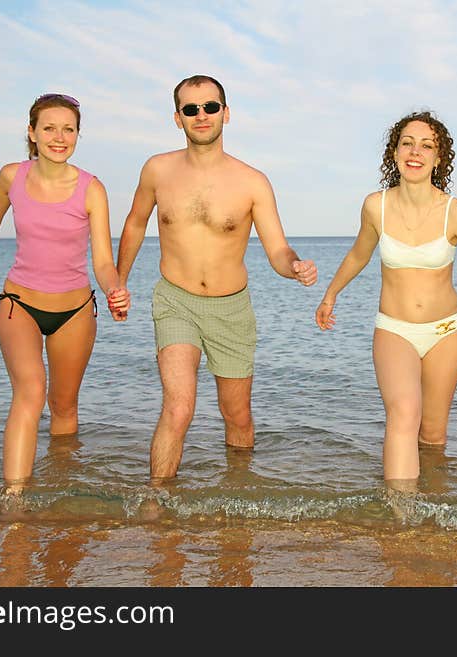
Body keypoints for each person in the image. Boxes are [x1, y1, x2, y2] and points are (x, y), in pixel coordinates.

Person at [116, 74, 317, 480]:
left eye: (210, 106)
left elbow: (277, 248)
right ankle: (158, 507)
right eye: (191, 109)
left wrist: (294, 267)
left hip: (231, 307)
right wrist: (119, 281)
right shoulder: (157, 170)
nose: (201, 115)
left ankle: (236, 503)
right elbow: (136, 224)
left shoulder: (252, 181)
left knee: (237, 415)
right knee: (179, 406)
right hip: (176, 300)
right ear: (178, 118)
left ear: (226, 113)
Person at [0, 93, 131, 494]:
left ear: (78, 135)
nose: (59, 137)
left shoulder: (92, 189)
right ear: (32, 132)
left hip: (75, 310)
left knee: (63, 407)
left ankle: (60, 494)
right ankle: (15, 499)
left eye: (68, 129)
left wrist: (115, 288)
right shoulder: (12, 176)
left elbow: (101, 261)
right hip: (19, 305)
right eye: (49, 128)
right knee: (30, 392)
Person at [315, 110, 457, 486]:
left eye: (427, 145)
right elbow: (359, 254)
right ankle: (400, 518)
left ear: (439, 158)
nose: (415, 152)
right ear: (394, 152)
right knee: (403, 414)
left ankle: (430, 519)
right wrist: (330, 295)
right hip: (394, 330)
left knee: (432, 436)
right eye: (407, 143)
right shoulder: (376, 206)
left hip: (446, 333)